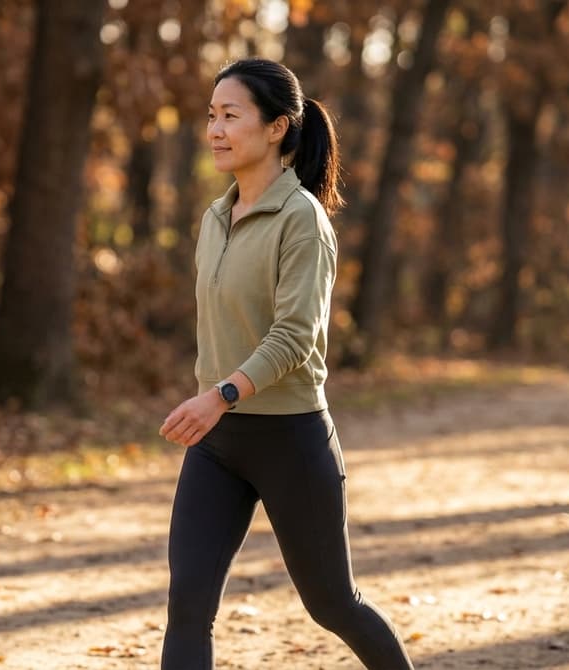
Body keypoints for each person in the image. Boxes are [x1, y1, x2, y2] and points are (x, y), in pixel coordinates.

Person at [158, 58, 414, 670]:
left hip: (290, 438)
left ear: (277, 127)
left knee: (332, 603)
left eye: (231, 115)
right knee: (187, 607)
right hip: (218, 444)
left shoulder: (303, 219)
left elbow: (296, 335)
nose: (215, 129)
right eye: (211, 116)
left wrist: (219, 393)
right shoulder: (214, 218)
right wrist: (215, 403)